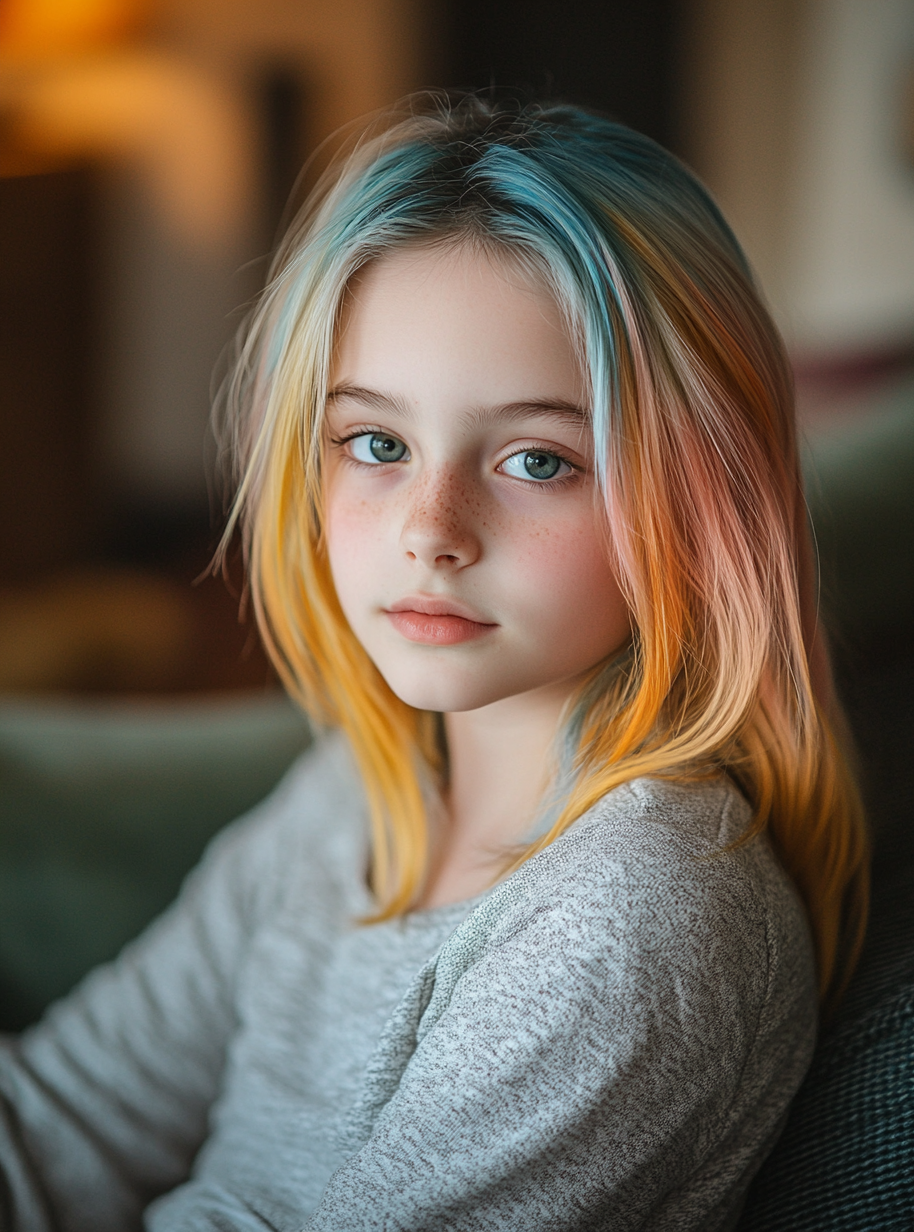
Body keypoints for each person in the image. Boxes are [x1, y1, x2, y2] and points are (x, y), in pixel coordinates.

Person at [0, 96, 868, 1231]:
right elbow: (69, 1114)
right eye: (377, 443)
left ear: (703, 500)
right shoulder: (365, 788)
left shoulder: (627, 920)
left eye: (536, 459)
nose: (431, 527)